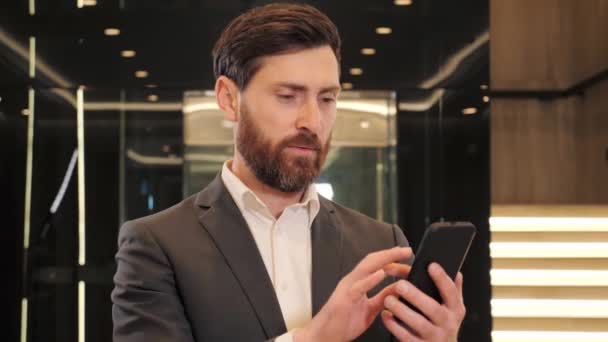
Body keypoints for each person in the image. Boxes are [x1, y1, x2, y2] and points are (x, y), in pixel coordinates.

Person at [111, 3, 466, 341]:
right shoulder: (157, 245)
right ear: (229, 99)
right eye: (287, 96)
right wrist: (312, 339)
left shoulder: (382, 246)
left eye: (326, 99)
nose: (312, 121)